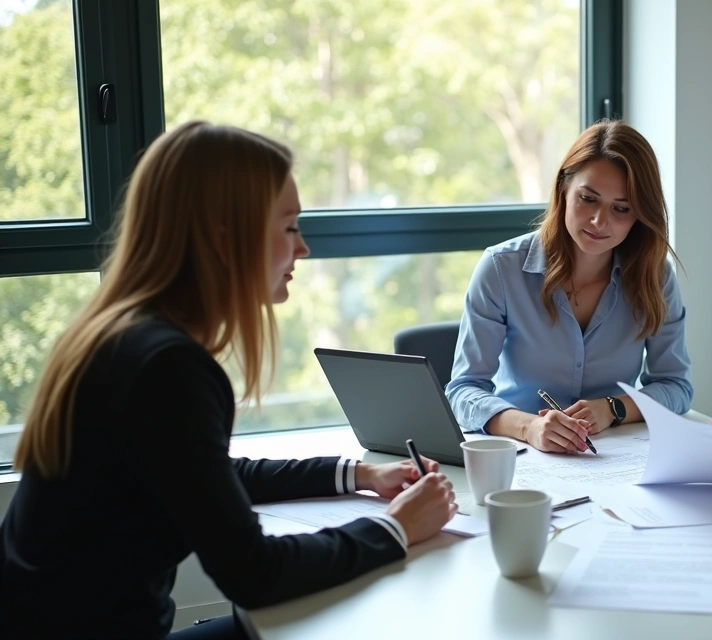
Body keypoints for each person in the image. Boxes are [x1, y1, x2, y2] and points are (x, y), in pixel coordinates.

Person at [0, 122, 458, 639]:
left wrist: (355, 474)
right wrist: (397, 528)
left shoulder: (120, 334)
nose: (303, 249)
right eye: (288, 227)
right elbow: (256, 573)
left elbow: (203, 476)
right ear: (226, 239)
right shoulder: (168, 369)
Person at [447, 120, 692, 453]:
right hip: (520, 452)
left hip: (614, 455)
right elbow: (463, 390)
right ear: (563, 187)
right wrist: (530, 427)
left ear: (640, 215)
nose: (599, 221)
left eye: (621, 209)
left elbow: (675, 386)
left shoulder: (655, 277)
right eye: (588, 199)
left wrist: (613, 408)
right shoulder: (501, 269)